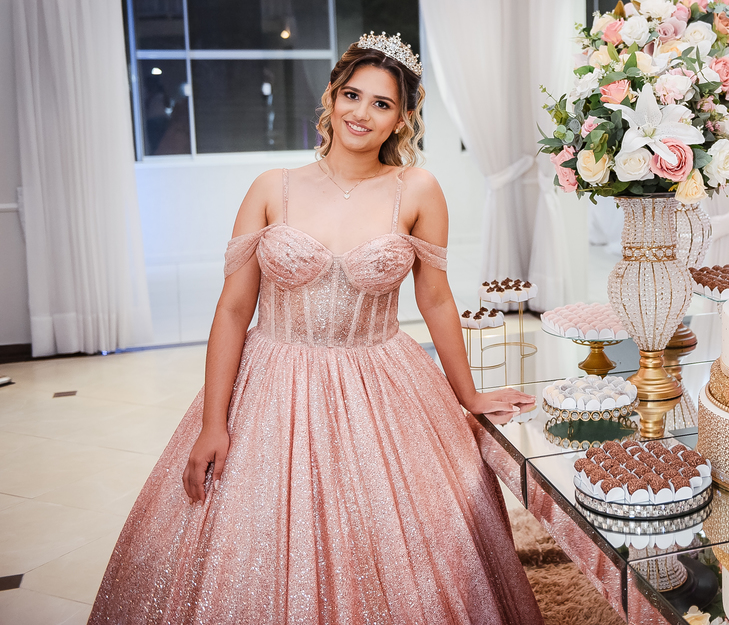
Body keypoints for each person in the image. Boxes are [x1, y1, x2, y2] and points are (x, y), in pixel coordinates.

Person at [90, 34, 543, 624]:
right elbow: (233, 310)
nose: (362, 113)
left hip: (381, 378)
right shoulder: (272, 187)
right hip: (273, 383)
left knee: (407, 532)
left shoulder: (417, 189)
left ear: (403, 119)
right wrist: (212, 423)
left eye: (382, 103)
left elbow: (435, 299)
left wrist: (469, 395)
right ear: (330, 96)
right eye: (352, 95)